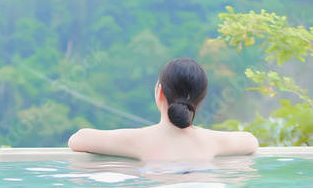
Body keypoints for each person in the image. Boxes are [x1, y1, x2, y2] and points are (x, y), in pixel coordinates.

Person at [68, 57, 258, 161]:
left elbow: (77, 139)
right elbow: (251, 142)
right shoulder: (212, 141)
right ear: (201, 99)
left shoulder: (139, 140)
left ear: (159, 93)